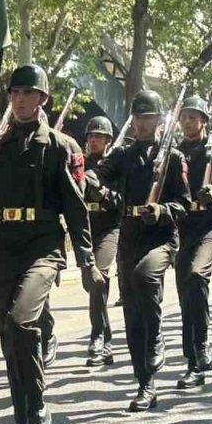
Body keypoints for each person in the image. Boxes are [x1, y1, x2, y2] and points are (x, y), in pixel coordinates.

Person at [0, 64, 99, 424]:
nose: (20, 100)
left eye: (28, 93)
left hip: (42, 246)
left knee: (22, 321)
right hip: (3, 248)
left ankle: (39, 412)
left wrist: (87, 259)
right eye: (14, 93)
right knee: (10, 338)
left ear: (42, 99)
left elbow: (75, 207)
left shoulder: (61, 146)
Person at [88, 90, 189, 410]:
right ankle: (145, 383)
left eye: (148, 118)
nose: (142, 124)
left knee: (145, 277)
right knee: (132, 312)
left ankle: (156, 333)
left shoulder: (173, 157)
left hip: (160, 237)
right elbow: (99, 173)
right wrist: (87, 177)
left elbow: (184, 203)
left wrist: (162, 211)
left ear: (159, 120)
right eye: (137, 118)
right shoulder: (123, 155)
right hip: (130, 235)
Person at [173, 95, 212, 389]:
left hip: (211, 225)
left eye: (193, 117)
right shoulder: (173, 153)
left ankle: (199, 352)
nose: (188, 122)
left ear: (204, 121)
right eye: (184, 117)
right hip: (183, 226)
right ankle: (195, 355)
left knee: (197, 275)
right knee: (186, 294)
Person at [81, 115, 121, 366]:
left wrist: (103, 193)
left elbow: (123, 198)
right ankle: (105, 336)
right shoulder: (80, 164)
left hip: (109, 227)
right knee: (90, 283)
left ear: (108, 140)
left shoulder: (116, 163)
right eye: (91, 136)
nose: (93, 140)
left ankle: (98, 337)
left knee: (100, 278)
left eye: (99, 136)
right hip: (86, 228)